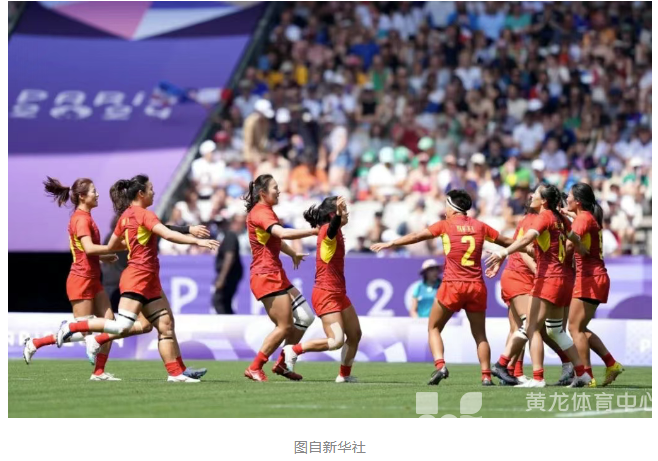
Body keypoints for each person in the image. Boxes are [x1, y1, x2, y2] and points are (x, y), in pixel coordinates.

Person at [56, 175, 219, 383]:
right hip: (138, 277)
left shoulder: (126, 216)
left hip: (147, 278)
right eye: (150, 189)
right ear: (141, 193)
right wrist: (196, 241)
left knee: (166, 324)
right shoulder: (143, 214)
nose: (153, 192)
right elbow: (166, 234)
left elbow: (113, 244)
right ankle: (72, 328)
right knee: (122, 326)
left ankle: (176, 373)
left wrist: (114, 251)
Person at [371, 189, 521, 386]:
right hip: (476, 286)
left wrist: (391, 242)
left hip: (452, 285)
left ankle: (440, 365)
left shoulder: (445, 225)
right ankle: (486, 376)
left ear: (453, 208)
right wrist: (528, 247)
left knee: (433, 327)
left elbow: (417, 236)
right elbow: (508, 242)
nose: (444, 210)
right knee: (480, 335)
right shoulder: (480, 226)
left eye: (446, 206)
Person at [22, 177, 135, 381]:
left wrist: (103, 257)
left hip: (93, 279)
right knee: (85, 332)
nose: (97, 194)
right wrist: (117, 247)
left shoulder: (85, 217)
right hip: (81, 280)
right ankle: (36, 343)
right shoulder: (81, 219)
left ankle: (98, 372)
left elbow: (82, 251)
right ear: (82, 196)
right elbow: (88, 248)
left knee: (109, 325)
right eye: (93, 191)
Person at [486, 185, 592, 388]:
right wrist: (582, 248)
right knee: (556, 331)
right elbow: (575, 238)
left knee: (531, 327)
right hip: (564, 279)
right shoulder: (561, 219)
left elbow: (526, 239)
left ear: (543, 201)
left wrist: (503, 252)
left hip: (548, 279)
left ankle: (532, 376)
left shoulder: (543, 217)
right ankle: (582, 373)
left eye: (535, 193)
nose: (531, 195)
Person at [243, 174, 318, 382]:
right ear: (262, 192)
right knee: (284, 326)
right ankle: (255, 367)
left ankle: (283, 363)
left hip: (275, 273)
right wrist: (313, 231)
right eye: (275, 187)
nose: (279, 191)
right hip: (266, 275)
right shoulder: (261, 212)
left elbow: (275, 239)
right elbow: (282, 233)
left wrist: (292, 253)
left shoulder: (265, 211)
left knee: (305, 317)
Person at [280, 197, 362, 383]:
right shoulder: (327, 230)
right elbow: (332, 228)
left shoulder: (335, 230)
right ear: (333, 214)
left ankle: (344, 375)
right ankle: (293, 350)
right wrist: (338, 215)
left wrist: (338, 215)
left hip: (338, 293)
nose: (347, 212)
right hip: (326, 294)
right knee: (336, 340)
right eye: (343, 209)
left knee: (355, 334)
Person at [563, 183, 624, 387]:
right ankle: (611, 364)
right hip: (595, 278)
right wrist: (565, 213)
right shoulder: (587, 216)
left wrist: (562, 258)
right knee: (580, 328)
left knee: (574, 328)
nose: (567, 199)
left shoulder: (583, 219)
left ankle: (587, 376)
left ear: (578, 201)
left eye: (569, 196)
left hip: (589, 278)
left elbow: (570, 243)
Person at [213, 214, 245, 314]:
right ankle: (229, 319)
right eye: (218, 224)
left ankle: (226, 321)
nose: (220, 226)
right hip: (231, 274)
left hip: (229, 275)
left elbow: (229, 256)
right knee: (225, 302)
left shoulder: (230, 235)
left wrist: (222, 278)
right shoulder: (226, 235)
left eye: (222, 224)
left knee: (219, 300)